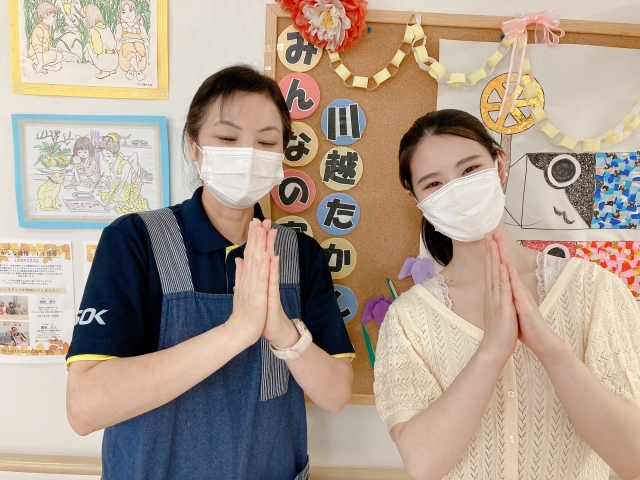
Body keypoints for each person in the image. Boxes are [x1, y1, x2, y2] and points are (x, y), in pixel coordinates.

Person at [66, 65, 355, 480]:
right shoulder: (134, 241)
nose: (248, 155)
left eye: (266, 142)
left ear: (281, 156)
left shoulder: (299, 254)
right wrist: (236, 331)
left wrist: (283, 333)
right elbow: (84, 407)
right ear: (194, 146)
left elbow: (336, 394)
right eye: (227, 138)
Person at [373, 109, 640, 480]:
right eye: (434, 184)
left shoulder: (594, 289)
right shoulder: (408, 319)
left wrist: (550, 348)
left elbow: (633, 460)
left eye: (469, 169)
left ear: (499, 166)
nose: (456, 190)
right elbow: (423, 465)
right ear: (415, 198)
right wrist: (491, 352)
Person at [96, 132, 149, 214]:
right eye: (103, 155)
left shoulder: (125, 165)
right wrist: (104, 183)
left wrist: (114, 203)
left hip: (130, 189)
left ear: (115, 154)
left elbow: (125, 185)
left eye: (108, 155)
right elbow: (112, 179)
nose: (105, 158)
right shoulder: (112, 164)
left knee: (120, 207)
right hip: (119, 186)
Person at [114, 0, 149, 81]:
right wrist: (125, 42)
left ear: (135, 13)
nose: (128, 14)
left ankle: (132, 70)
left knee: (139, 45)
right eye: (124, 12)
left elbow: (146, 41)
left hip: (140, 59)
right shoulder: (120, 26)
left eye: (130, 11)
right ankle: (138, 71)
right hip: (125, 60)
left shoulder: (140, 27)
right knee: (128, 46)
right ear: (120, 15)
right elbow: (117, 42)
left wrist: (141, 42)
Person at [82, 4, 118, 79]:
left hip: (105, 62)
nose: (85, 21)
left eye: (85, 19)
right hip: (115, 61)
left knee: (87, 46)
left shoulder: (93, 30)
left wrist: (90, 42)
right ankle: (111, 70)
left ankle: (105, 71)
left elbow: (97, 50)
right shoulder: (107, 28)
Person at [27, 2, 63, 74]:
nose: (54, 19)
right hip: (37, 56)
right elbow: (38, 48)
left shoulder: (46, 28)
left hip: (44, 53)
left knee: (59, 60)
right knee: (58, 58)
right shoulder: (38, 29)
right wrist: (40, 63)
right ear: (46, 15)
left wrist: (53, 49)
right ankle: (39, 65)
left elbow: (46, 45)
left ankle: (40, 65)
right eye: (53, 16)